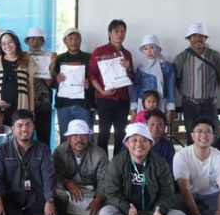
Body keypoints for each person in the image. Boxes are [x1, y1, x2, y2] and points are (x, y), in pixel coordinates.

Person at [98, 123, 189, 215]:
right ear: (126, 143)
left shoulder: (160, 163)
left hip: (153, 214)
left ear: (150, 144)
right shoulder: (117, 163)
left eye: (144, 140)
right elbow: (111, 190)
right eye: (134, 140)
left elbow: (167, 192)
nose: (139, 144)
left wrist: (160, 210)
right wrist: (126, 209)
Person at [0, 110, 59, 215]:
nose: (24, 129)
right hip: (12, 197)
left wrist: (50, 200)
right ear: (13, 129)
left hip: (35, 197)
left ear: (33, 127)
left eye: (28, 125)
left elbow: (49, 176)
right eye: (20, 126)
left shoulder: (43, 149)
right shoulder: (2, 150)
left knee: (57, 211)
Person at [173, 117, 220, 215]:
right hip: (189, 195)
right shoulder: (181, 156)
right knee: (171, 204)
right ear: (192, 135)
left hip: (212, 196)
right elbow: (184, 189)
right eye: (199, 131)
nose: (204, 135)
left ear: (213, 137)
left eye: (208, 132)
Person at [173, 22, 220, 141]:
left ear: (205, 38)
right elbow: (176, 80)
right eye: (193, 36)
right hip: (189, 104)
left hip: (209, 104)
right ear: (189, 39)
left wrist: (210, 91)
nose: (197, 39)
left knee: (212, 136)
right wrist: (186, 92)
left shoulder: (216, 57)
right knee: (192, 136)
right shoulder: (181, 57)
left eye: (201, 36)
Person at [89, 19, 134, 155]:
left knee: (121, 135)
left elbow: (132, 79)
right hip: (105, 99)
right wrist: (102, 91)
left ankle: (117, 165)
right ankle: (102, 167)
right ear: (110, 33)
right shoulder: (99, 51)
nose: (120, 34)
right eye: (116, 31)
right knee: (103, 134)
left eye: (122, 31)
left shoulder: (127, 54)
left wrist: (129, 68)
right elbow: (91, 75)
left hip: (122, 100)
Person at [52, 119, 108, 215]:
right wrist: (68, 183)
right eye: (75, 136)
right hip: (66, 190)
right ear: (68, 138)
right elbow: (56, 175)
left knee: (109, 196)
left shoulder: (100, 154)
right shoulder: (59, 151)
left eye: (83, 135)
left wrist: (98, 199)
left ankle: (71, 208)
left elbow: (104, 180)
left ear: (88, 137)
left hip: (91, 190)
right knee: (53, 193)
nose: (79, 140)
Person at [0, 31, 36, 126]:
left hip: (20, 104)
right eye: (3, 43)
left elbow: (30, 87)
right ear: (0, 46)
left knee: (19, 130)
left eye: (10, 42)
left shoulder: (26, 60)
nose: (7, 46)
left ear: (16, 42)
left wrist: (31, 109)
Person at [53, 27, 94, 144]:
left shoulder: (89, 58)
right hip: (63, 105)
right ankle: (65, 162)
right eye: (70, 38)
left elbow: (96, 78)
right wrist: (57, 80)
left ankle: (88, 162)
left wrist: (89, 83)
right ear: (64, 41)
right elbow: (51, 83)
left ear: (81, 40)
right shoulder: (59, 59)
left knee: (87, 138)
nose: (74, 41)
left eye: (77, 38)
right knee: (65, 139)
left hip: (83, 105)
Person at [130, 34, 176, 124]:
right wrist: (133, 108)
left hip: (161, 102)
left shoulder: (166, 67)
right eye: (145, 49)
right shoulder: (141, 67)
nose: (149, 51)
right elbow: (136, 88)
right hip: (142, 104)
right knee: (143, 129)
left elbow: (171, 88)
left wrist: (170, 109)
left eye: (152, 47)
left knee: (158, 128)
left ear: (157, 48)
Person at [25, 27, 56, 145]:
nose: (35, 42)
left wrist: (52, 64)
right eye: (32, 39)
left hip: (44, 102)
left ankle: (45, 162)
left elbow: (49, 82)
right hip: (26, 102)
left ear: (43, 42)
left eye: (39, 39)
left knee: (44, 138)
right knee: (25, 137)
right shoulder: (21, 57)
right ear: (27, 41)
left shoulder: (49, 57)